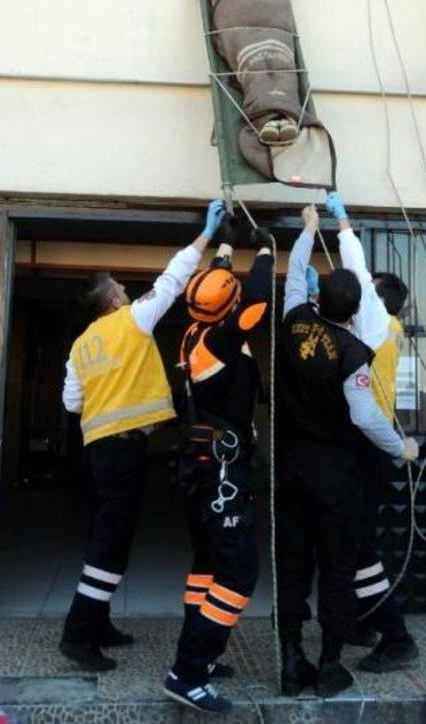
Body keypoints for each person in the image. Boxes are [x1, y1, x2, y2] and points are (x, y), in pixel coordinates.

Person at [59, 200, 226, 672]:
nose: (127, 289)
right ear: (112, 301)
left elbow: (72, 404)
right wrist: (204, 237)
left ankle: (99, 623)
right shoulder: (131, 321)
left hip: (96, 452)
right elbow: (172, 281)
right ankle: (78, 634)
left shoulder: (80, 344)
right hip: (123, 449)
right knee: (110, 544)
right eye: (120, 287)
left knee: (106, 534)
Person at [276, 205, 419, 698]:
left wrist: (310, 230)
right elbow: (363, 417)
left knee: (295, 565)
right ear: (356, 307)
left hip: (292, 470)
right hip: (338, 473)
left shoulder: (293, 321)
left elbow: (296, 276)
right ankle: (331, 663)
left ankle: (292, 659)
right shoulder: (356, 348)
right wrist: (402, 446)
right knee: (340, 564)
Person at [163, 214, 274, 715]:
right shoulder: (225, 338)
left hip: (197, 462)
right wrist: (268, 251)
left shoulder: (193, 331)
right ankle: (188, 672)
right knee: (239, 571)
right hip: (222, 469)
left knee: (207, 565)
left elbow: (220, 291)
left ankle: (200, 658)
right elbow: (255, 304)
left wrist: (227, 244)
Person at [326, 190, 420, 672]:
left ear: (377, 302)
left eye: (368, 291)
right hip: (370, 452)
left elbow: (358, 273)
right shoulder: (387, 331)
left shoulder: (377, 325)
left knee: (359, 546)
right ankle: (361, 621)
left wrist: (344, 225)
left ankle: (397, 636)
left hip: (365, 451)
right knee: (352, 541)